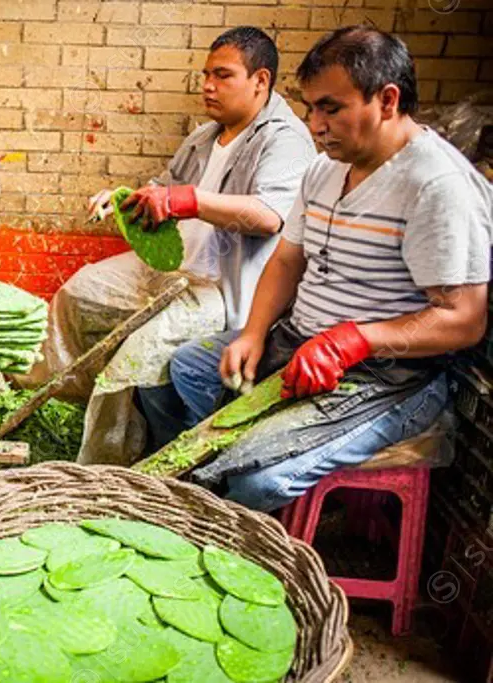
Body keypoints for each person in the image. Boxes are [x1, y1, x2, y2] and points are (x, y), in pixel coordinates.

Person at [168, 26, 493, 511]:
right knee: (190, 368)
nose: (315, 124)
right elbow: (287, 258)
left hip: (390, 376)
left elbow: (465, 319)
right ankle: (235, 480)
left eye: (331, 108)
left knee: (259, 480)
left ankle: (258, 518)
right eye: (311, 107)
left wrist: (353, 340)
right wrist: (254, 333)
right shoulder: (324, 170)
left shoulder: (437, 186)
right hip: (300, 342)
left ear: (387, 99)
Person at [17, 27, 315, 465]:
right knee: (80, 294)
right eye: (206, 75)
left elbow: (270, 215)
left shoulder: (284, 140)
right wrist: (123, 199)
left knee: (137, 356)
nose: (208, 86)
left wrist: (186, 201)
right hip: (172, 270)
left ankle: (108, 464)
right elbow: (163, 188)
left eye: (223, 75)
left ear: (261, 81)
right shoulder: (205, 136)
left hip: (222, 290)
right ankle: (58, 403)